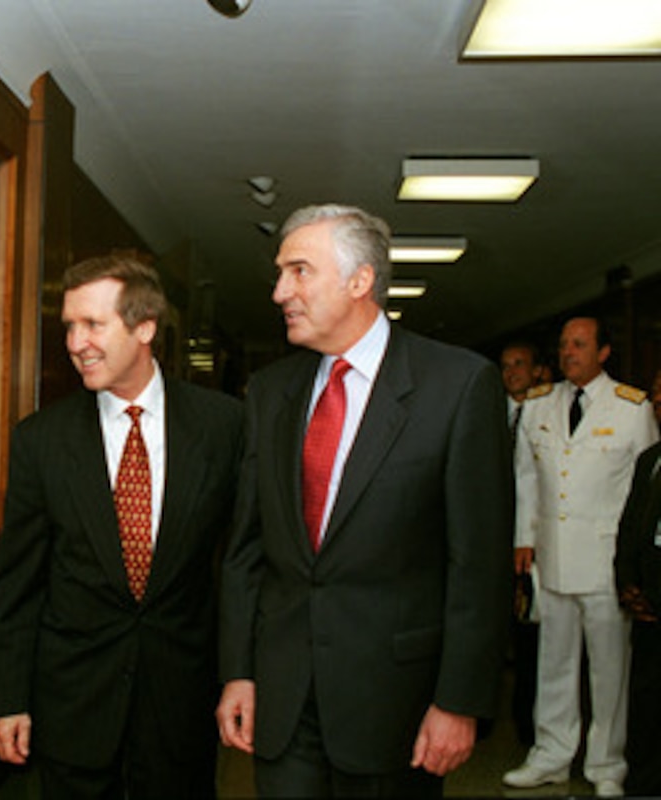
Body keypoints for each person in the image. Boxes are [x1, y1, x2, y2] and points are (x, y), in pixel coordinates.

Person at [216, 204, 513, 798]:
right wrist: (239, 671)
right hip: (284, 693)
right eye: (279, 273)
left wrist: (459, 702)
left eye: (299, 271)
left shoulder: (458, 386)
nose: (279, 292)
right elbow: (247, 548)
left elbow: (477, 564)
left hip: (394, 703)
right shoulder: (272, 393)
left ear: (360, 281)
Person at [0, 255, 243, 799]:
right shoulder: (42, 440)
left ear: (145, 327)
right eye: (70, 327)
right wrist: (9, 698)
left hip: (181, 701)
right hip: (75, 703)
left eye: (93, 325)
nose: (76, 343)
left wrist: (241, 674)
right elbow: (17, 584)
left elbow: (242, 561)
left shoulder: (224, 427)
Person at [504, 317, 658, 797]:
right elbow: (526, 476)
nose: (569, 352)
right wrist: (522, 538)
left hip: (606, 560)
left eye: (580, 344)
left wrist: (636, 564)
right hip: (552, 555)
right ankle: (550, 754)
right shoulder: (539, 404)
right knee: (554, 662)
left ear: (604, 352)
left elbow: (649, 492)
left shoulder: (632, 408)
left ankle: (606, 763)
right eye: (565, 345)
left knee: (609, 669)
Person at [500, 340, 544, 746]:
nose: (512, 372)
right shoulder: (490, 416)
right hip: (493, 541)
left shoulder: (548, 415)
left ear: (537, 371)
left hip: (533, 546)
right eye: (506, 366)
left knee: (532, 637)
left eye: (520, 365)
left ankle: (528, 726)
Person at [614, 439, 661, 797]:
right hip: (646, 603)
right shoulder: (651, 459)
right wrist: (627, 580)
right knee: (646, 702)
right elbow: (630, 523)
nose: (660, 404)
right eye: (657, 398)